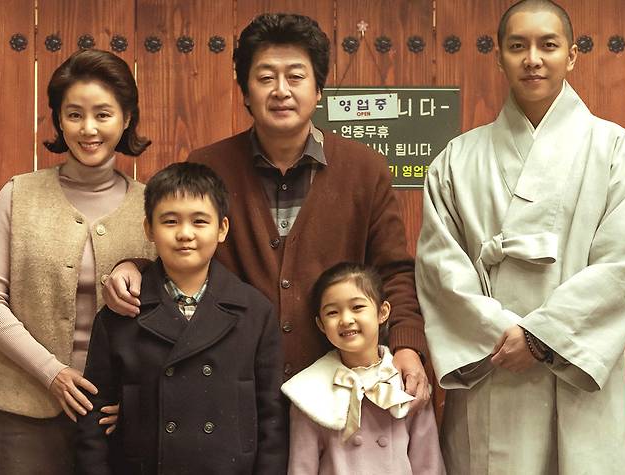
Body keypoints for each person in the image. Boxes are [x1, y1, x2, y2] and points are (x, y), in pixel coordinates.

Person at [102, 12, 430, 407]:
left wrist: (407, 345)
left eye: (296, 76)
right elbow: (185, 259)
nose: (281, 91)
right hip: (231, 389)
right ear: (245, 91)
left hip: (339, 390)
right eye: (265, 77)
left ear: (318, 89)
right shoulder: (209, 166)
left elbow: (393, 270)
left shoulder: (364, 169)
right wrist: (134, 267)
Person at [415, 1, 625, 473]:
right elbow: (440, 269)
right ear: (499, 57)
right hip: (493, 367)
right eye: (518, 46)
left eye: (548, 45)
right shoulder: (456, 159)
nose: (532, 59)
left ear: (571, 56)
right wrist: (502, 335)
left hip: (576, 370)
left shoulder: (618, 151)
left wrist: (542, 338)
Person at [0, 49, 155, 474]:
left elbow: (176, 305)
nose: (88, 128)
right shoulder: (18, 195)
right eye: (74, 114)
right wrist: (51, 372)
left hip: (116, 418)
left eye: (103, 114)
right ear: (59, 121)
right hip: (23, 416)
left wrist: (139, 397)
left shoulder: (153, 205)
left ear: (127, 118)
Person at [75, 162, 287, 474]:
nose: (185, 234)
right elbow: (92, 421)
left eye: (199, 221)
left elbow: (272, 420)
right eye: (170, 221)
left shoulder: (255, 311)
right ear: (149, 229)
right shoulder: (119, 315)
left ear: (222, 229)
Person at [282, 263, 445, 474]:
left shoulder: (407, 382)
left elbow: (428, 465)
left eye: (357, 307)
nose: (346, 320)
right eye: (332, 312)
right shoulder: (309, 391)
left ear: (382, 312)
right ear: (321, 324)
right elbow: (301, 468)